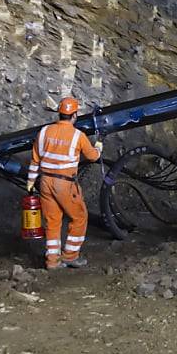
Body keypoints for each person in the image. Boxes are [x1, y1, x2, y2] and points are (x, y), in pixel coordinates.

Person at [27, 97, 102, 270]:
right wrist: (98, 147)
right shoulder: (78, 136)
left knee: (52, 221)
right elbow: (92, 156)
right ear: (74, 115)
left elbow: (35, 160)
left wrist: (31, 181)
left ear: (59, 114)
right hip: (64, 184)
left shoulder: (44, 131)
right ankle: (70, 256)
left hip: (44, 182)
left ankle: (52, 261)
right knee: (79, 217)